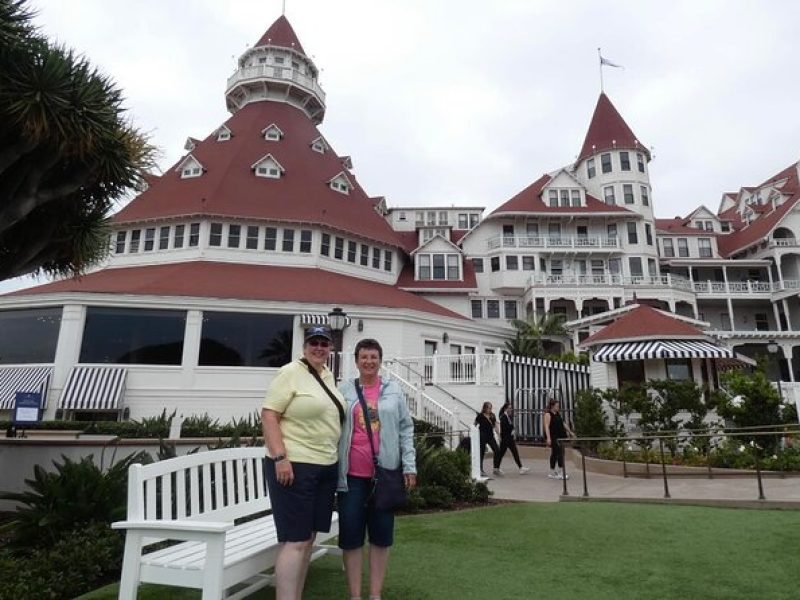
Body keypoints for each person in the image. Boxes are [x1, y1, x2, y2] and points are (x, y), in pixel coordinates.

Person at [261, 325, 345, 600]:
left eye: (324, 343)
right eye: (314, 342)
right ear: (304, 346)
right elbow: (270, 415)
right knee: (296, 539)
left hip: (324, 466)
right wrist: (280, 457)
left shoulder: (327, 376)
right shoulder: (290, 373)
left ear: (330, 347)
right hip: (294, 465)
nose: (319, 347)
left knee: (308, 538)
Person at [337, 338, 416, 600]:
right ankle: (355, 595)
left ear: (380, 361)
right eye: (364, 357)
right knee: (351, 537)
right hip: (352, 478)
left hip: (385, 475)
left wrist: (409, 465)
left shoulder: (393, 391)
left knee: (381, 537)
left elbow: (406, 428)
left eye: (373, 357)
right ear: (356, 361)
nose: (369, 362)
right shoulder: (344, 390)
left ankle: (375, 594)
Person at [494, 402, 530, 475]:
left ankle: (520, 468)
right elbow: (505, 428)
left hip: (509, 438)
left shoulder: (508, 416)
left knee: (514, 452)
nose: (511, 409)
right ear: (505, 409)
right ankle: (496, 468)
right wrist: (512, 430)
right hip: (506, 439)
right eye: (509, 408)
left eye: (511, 408)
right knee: (501, 454)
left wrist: (513, 429)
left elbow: (510, 425)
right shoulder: (503, 417)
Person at [543, 398, 574, 480]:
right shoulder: (548, 414)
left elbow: (563, 423)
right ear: (552, 406)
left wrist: (570, 432)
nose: (558, 407)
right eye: (557, 406)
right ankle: (558, 471)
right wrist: (548, 438)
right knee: (557, 452)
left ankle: (554, 471)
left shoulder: (557, 414)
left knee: (559, 453)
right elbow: (546, 427)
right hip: (553, 436)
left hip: (560, 435)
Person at [474, 401, 501, 477]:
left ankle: (496, 468)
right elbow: (475, 424)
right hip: (482, 436)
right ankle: (480, 469)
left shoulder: (492, 415)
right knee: (481, 453)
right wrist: (475, 434)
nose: (490, 409)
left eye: (490, 408)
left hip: (490, 436)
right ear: (485, 408)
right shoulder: (480, 416)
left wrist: (498, 435)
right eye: (488, 408)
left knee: (497, 450)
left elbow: (495, 425)